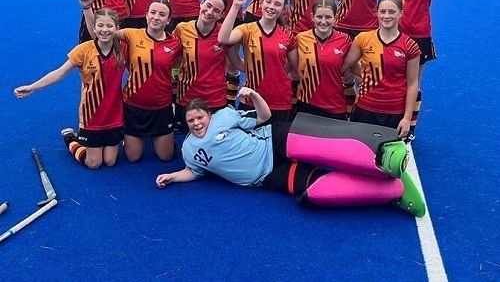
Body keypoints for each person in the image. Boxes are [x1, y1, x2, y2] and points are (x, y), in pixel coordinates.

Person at [155, 88, 425, 217]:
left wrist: (255, 96)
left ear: (208, 115)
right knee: (314, 188)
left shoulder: (224, 116)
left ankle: (383, 155)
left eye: (200, 117)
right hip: (267, 175)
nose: (197, 123)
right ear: (185, 123)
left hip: (272, 141)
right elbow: (194, 171)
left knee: (326, 144)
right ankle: (391, 189)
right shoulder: (189, 149)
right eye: (191, 120)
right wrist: (172, 176)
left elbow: (264, 117)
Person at [14, 8, 127, 169]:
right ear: (93, 28)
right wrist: (33, 87)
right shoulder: (84, 50)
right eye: (100, 25)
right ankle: (70, 140)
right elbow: (59, 73)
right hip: (91, 114)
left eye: (109, 26)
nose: (104, 30)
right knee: (94, 163)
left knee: (110, 161)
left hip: (114, 114)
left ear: (117, 28)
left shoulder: (123, 49)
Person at [81, 0, 182, 162]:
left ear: (169, 20)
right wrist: (87, 8)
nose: (156, 17)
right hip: (134, 107)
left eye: (162, 14)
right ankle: (73, 141)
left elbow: (181, 65)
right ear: (146, 15)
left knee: (166, 157)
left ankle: (165, 134)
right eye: (153, 12)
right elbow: (98, 35)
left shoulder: (176, 43)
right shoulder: (131, 34)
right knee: (133, 157)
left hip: (161, 108)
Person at [390, 0, 466, 133]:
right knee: (395, 81)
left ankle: (409, 127)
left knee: (413, 83)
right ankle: (393, 120)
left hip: (419, 36)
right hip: (396, 34)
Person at [342, 0, 420, 140]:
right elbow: (345, 66)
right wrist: (369, 75)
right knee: (362, 150)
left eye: (392, 12)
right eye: (382, 11)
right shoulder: (363, 39)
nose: (386, 16)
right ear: (376, 12)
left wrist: (407, 118)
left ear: (401, 13)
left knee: (388, 152)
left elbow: (413, 83)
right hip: (365, 108)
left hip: (394, 111)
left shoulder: (410, 46)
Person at [218, 0, 297, 122]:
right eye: (268, 2)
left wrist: (274, 70)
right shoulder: (246, 29)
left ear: (283, 9)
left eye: (277, 4)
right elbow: (223, 38)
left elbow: (293, 66)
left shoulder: (288, 36)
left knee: (278, 135)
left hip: (280, 101)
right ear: (261, 3)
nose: (271, 7)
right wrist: (236, 6)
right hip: (250, 98)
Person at [172, 0, 243, 131]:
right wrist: (172, 95)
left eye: (216, 10)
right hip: (186, 100)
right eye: (208, 5)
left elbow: (235, 67)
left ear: (221, 15)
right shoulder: (182, 29)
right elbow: (173, 63)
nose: (210, 12)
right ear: (201, 3)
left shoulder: (224, 34)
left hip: (215, 101)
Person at [295, 0, 352, 119]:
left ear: (335, 18)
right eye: (319, 17)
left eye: (328, 17)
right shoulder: (300, 38)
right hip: (306, 104)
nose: (323, 21)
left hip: (335, 105)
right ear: (312, 17)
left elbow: (356, 70)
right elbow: (290, 69)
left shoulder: (345, 40)